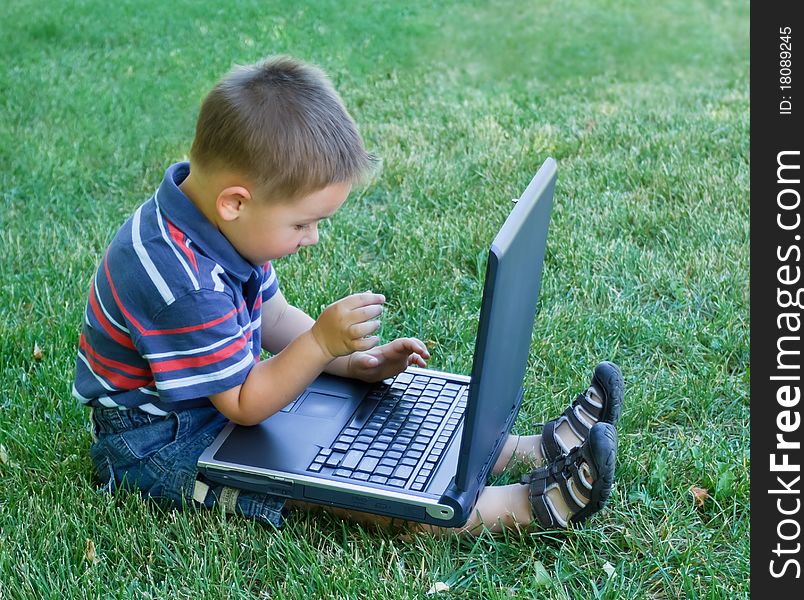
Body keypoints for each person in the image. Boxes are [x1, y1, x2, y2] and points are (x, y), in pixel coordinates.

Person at [73, 55, 623, 537]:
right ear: (236, 203)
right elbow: (244, 404)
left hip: (212, 400)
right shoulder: (182, 282)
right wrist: (317, 345)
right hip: (160, 440)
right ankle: (520, 508)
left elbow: (272, 315)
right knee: (336, 484)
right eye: (303, 224)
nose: (312, 238)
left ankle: (523, 449)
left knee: (360, 416)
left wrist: (349, 363)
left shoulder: (217, 224)